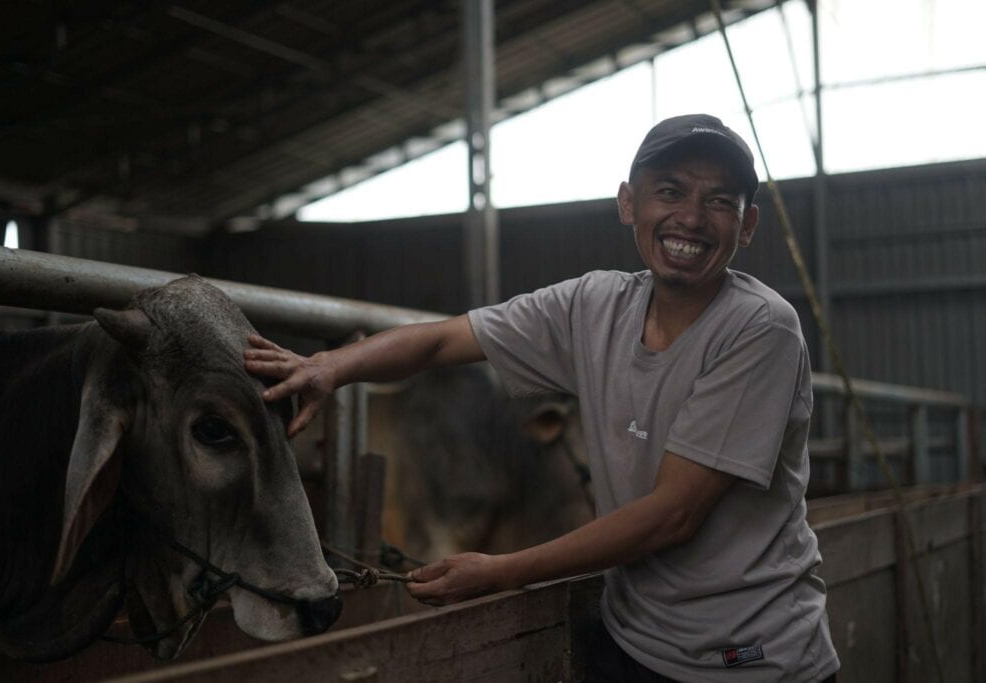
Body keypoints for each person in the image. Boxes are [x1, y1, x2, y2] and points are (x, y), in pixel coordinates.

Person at [244, 113, 839, 682]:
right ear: (628, 203)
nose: (691, 218)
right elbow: (445, 339)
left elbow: (673, 515)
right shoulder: (594, 304)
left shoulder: (761, 328)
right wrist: (328, 367)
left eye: (719, 201)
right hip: (632, 637)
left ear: (748, 224)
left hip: (747, 660)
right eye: (671, 191)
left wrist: (500, 571)